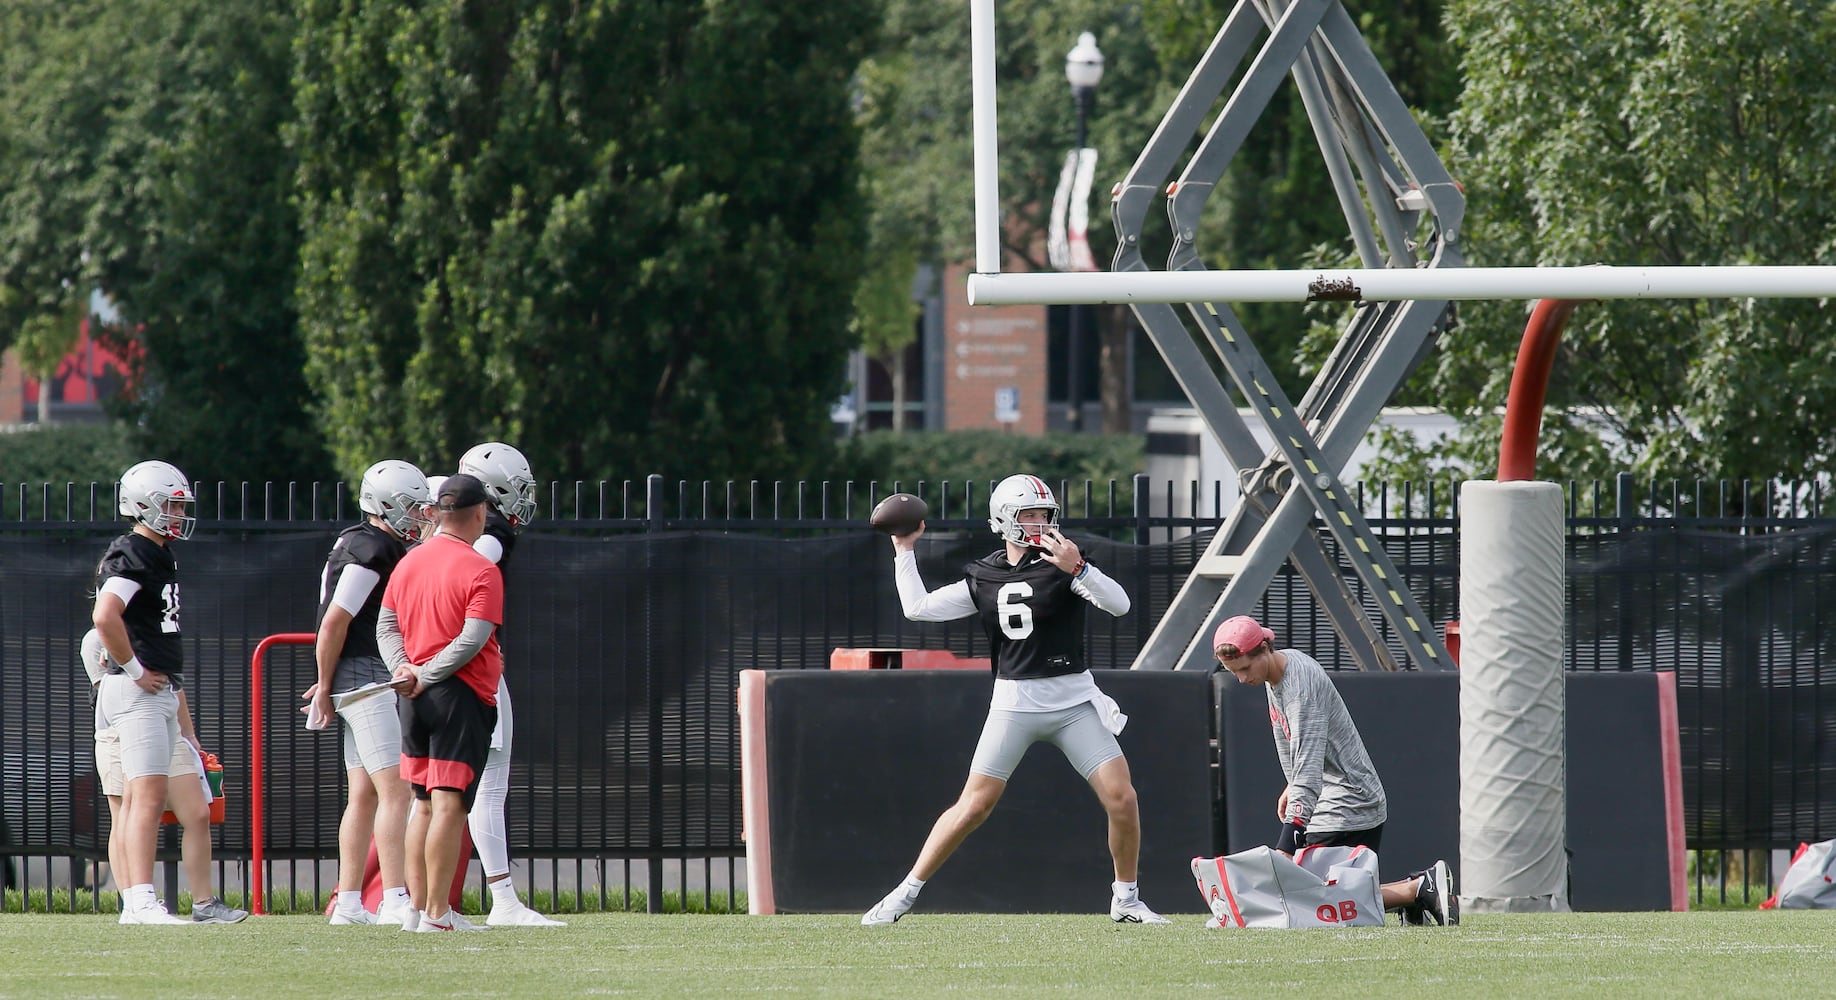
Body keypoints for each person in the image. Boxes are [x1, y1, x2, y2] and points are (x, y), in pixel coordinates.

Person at [862, 474, 1169, 926]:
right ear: (1004, 519)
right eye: (1029, 515)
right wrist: (904, 550)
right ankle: (904, 895)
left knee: (1122, 799)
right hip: (1014, 704)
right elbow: (919, 608)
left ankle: (1125, 898)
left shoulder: (1066, 563)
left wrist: (1079, 568)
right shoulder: (983, 575)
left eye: (1045, 515)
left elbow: (1120, 604)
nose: (1040, 523)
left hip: (1072, 703)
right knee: (972, 807)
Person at [1212, 614, 1458, 926]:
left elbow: (1309, 767)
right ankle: (1419, 889)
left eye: (1245, 669)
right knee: (1314, 899)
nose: (1242, 679)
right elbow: (1303, 748)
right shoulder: (1278, 671)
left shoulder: (1300, 685)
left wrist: (1288, 843)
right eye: (1235, 673)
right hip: (1335, 799)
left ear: (1264, 649)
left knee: (1308, 901)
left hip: (1350, 800)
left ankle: (1416, 890)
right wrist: (1292, 785)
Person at [92, 459, 247, 924]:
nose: (178, 515)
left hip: (156, 691)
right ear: (142, 505)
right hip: (134, 691)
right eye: (170, 506)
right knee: (145, 796)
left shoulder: (158, 552)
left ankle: (153, 902)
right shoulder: (132, 552)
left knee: (155, 797)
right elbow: (105, 615)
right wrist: (135, 668)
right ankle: (139, 902)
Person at [303, 460, 433, 926]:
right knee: (395, 789)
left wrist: (328, 679)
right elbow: (335, 620)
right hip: (365, 675)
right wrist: (326, 685)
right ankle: (395, 895)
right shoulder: (372, 548)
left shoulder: (365, 541)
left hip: (356, 672)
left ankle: (350, 902)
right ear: (384, 505)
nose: (419, 516)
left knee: (362, 793)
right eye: (411, 507)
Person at [378, 474, 505, 932]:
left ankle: (416, 911)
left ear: (437, 513)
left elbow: (386, 626)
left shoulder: (409, 561)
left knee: (423, 803)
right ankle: (437, 913)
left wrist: (405, 671)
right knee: (450, 804)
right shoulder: (481, 568)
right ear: (478, 513)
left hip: (412, 696)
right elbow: (473, 639)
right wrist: (426, 673)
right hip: (460, 696)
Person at [452, 442, 563, 927]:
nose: (522, 500)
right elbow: (471, 571)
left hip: (425, 662)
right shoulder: (491, 532)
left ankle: (409, 901)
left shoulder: (435, 530)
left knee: (425, 792)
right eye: (517, 490)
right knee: (487, 788)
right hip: (470, 665)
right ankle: (503, 901)